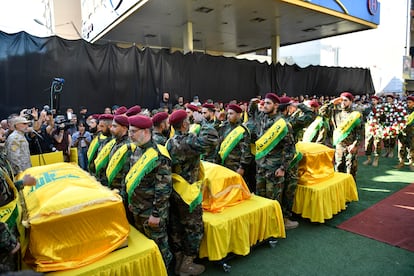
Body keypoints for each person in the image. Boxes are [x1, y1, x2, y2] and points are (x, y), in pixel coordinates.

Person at [166, 109, 219, 275]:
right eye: (188, 121)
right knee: (193, 227)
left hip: (174, 190)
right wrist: (203, 121)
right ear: (184, 124)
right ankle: (187, 265)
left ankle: (178, 261)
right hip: (188, 193)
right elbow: (212, 139)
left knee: (176, 227)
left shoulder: (171, 141)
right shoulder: (188, 141)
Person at [126, 114, 172, 268]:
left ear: (146, 132)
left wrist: (156, 214)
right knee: (145, 249)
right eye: (129, 131)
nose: (130, 135)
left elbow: (163, 189)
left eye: (133, 131)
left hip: (152, 212)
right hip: (138, 208)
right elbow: (133, 179)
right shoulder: (137, 150)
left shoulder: (158, 155)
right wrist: (131, 201)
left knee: (159, 248)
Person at [248, 93, 297, 229]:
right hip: (261, 166)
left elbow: (290, 149)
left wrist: (283, 168)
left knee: (273, 199)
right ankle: (261, 228)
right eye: (264, 103)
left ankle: (274, 228)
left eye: (268, 103)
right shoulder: (262, 117)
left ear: (276, 106)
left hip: (274, 168)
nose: (264, 105)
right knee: (260, 197)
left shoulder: (282, 124)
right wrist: (253, 101)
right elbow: (251, 112)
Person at [0, 152, 36, 273]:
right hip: (4, 241)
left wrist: (22, 183)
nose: (4, 131)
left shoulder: (1, 156)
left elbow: (5, 190)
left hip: (10, 228)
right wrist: (8, 242)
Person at [319, 92, 362, 179]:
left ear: (350, 102)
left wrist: (355, 144)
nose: (343, 102)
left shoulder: (356, 114)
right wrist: (332, 102)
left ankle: (350, 191)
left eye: (345, 100)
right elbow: (321, 112)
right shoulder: (335, 112)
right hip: (339, 145)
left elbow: (360, 131)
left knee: (351, 171)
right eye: (341, 100)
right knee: (338, 169)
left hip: (351, 146)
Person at [217, 104, 253, 180]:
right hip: (223, 164)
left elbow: (246, 151)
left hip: (235, 166)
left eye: (231, 114)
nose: (228, 116)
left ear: (238, 115)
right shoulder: (224, 126)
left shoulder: (243, 130)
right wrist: (218, 120)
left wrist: (242, 167)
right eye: (228, 113)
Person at [363, 95, 383, 167]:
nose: (373, 101)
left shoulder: (381, 109)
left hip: (377, 128)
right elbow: (364, 117)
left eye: (375, 100)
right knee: (368, 143)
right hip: (369, 128)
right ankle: (368, 159)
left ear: (377, 101)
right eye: (372, 100)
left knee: (377, 143)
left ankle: (376, 159)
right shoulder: (367, 109)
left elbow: (384, 118)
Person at [395, 95, 414, 170]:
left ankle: (411, 163)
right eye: (407, 102)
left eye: (410, 102)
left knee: (412, 147)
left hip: (412, 132)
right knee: (401, 147)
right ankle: (401, 162)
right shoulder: (403, 110)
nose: (408, 104)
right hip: (402, 132)